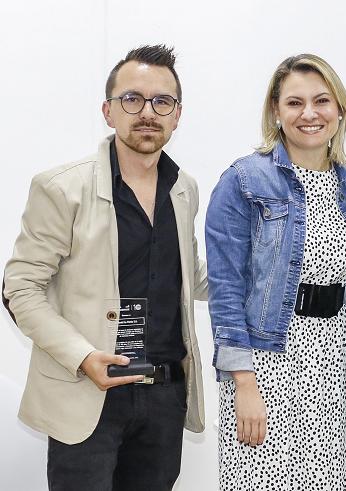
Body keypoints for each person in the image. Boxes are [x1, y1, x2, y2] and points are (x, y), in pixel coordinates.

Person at [2, 45, 206, 490]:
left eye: (162, 102)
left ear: (177, 115)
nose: (147, 112)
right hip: (89, 390)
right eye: (132, 99)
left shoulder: (184, 189)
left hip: (164, 393)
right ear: (108, 111)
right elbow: (20, 288)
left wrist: (269, 276)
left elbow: (190, 271)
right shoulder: (62, 188)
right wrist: (84, 358)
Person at [205, 54, 346, 490]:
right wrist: (242, 382)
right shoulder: (244, 180)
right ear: (276, 112)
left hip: (334, 367)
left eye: (322, 101)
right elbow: (227, 286)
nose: (309, 114)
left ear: (339, 110)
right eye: (294, 103)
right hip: (267, 368)